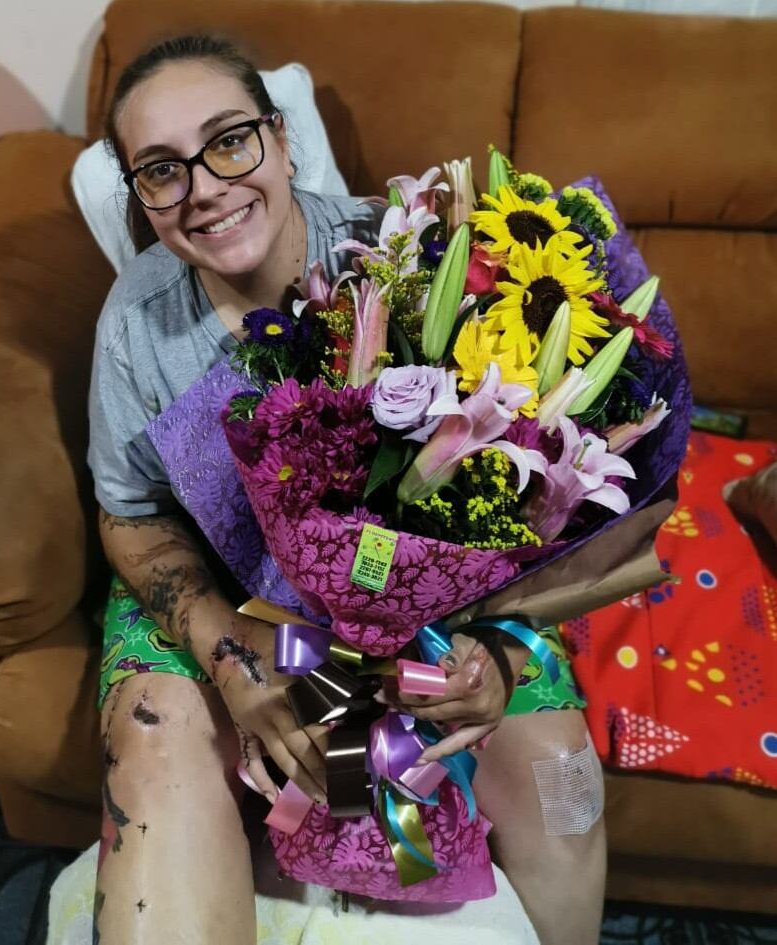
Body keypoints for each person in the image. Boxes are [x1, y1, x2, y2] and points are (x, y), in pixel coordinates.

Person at [87, 34, 605, 945]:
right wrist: (231, 656)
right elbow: (128, 515)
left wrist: (495, 649)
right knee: (153, 748)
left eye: (230, 140)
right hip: (219, 591)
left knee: (563, 783)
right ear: (140, 195)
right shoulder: (136, 320)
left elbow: (524, 488)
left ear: (282, 140)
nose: (204, 187)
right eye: (162, 169)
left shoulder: (407, 257)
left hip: (432, 603)